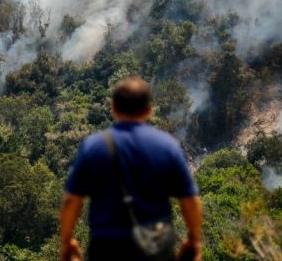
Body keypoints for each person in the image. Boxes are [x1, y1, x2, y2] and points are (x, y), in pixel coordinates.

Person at [60, 76, 203, 261]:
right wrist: (194, 239)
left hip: (107, 247)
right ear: (149, 110)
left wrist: (66, 241)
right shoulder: (167, 146)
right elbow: (190, 201)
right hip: (155, 247)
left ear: (113, 108)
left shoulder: (93, 146)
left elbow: (72, 201)